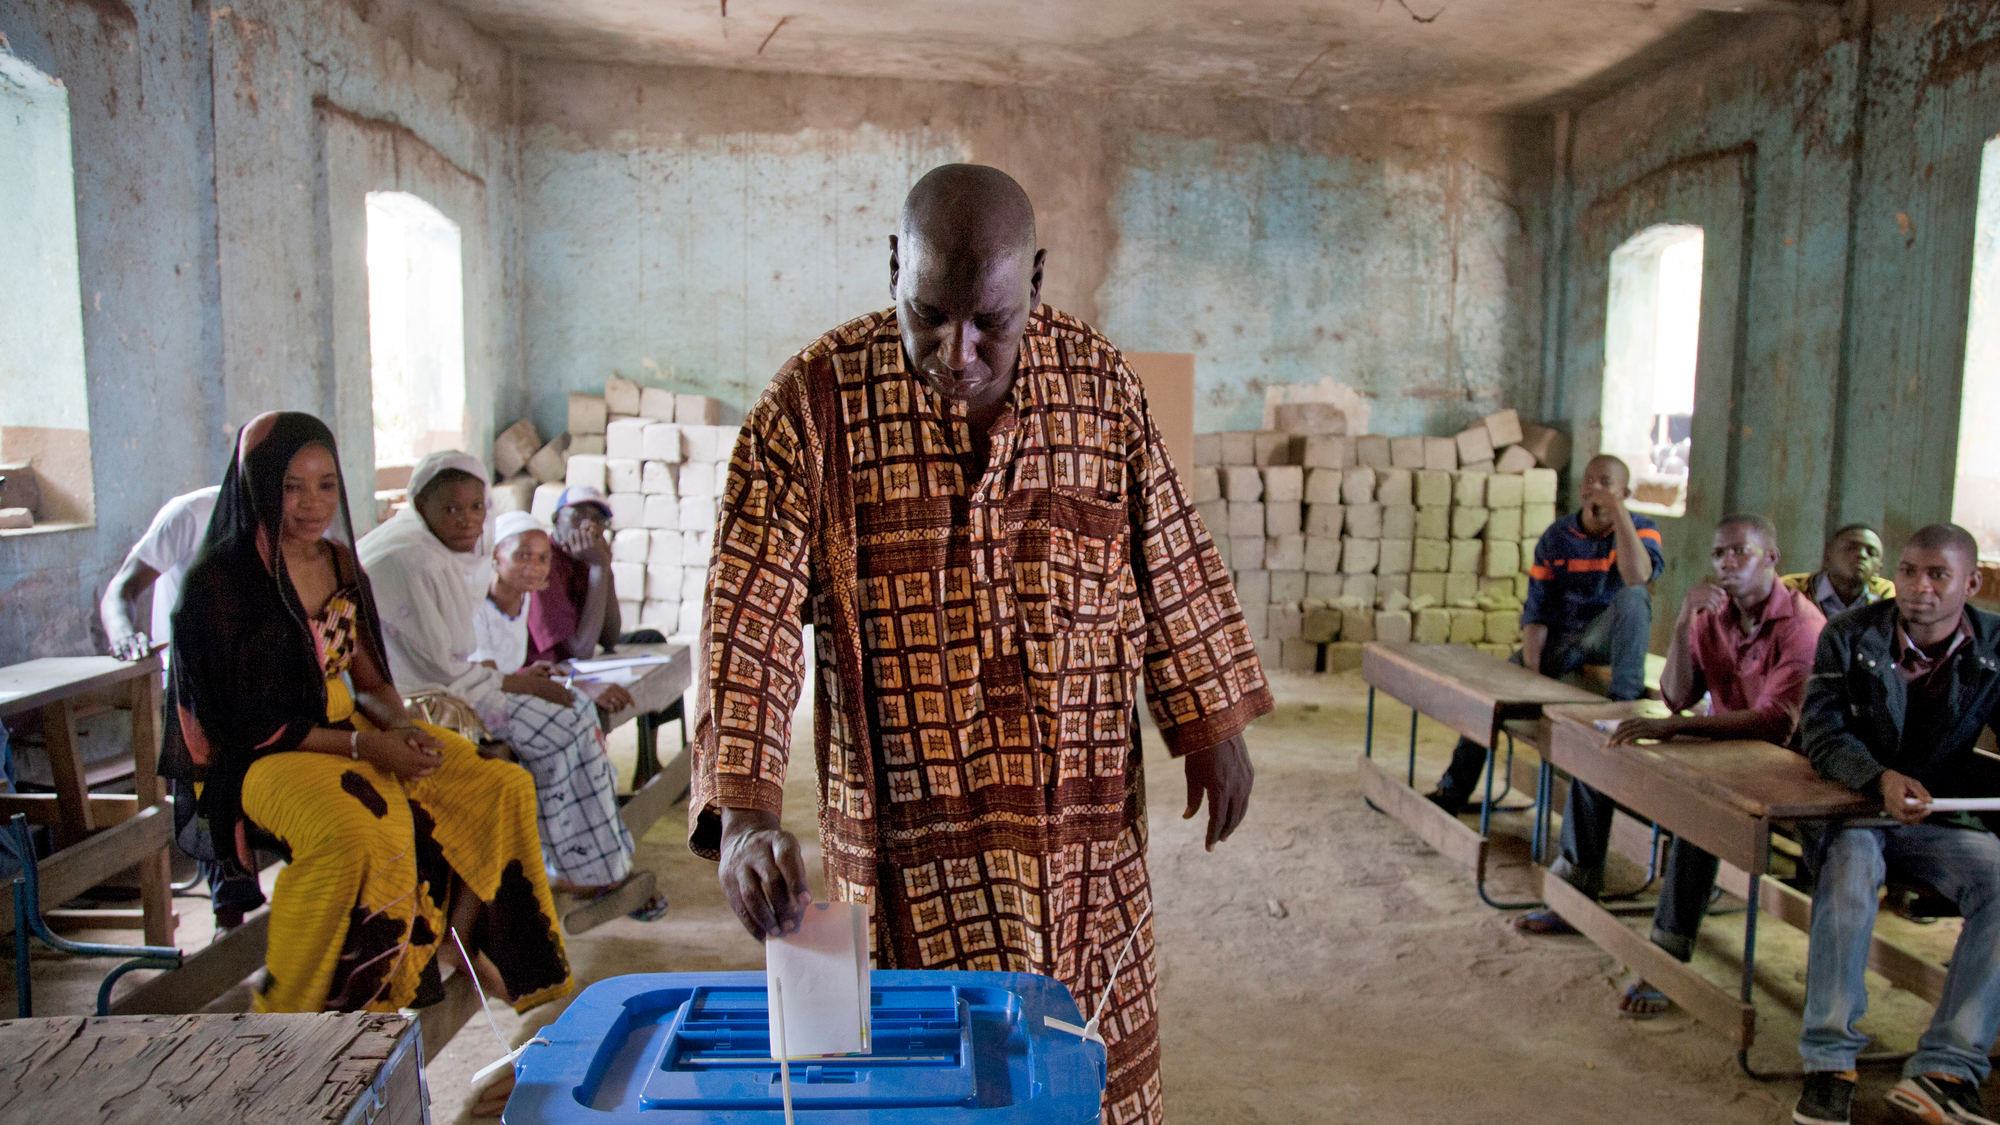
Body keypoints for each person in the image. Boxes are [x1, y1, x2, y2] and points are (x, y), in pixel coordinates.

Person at [690, 164, 1269, 1125]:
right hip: (908, 839)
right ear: (892, 268)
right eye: (929, 314)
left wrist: (1210, 718)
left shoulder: (1102, 386)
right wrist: (746, 812)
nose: (956, 352)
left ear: (1036, 282)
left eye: (990, 322)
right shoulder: (811, 406)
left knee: (1085, 1070)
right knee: (929, 1082)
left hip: (1080, 834)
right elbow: (745, 609)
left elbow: (1165, 542)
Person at [160, 412, 570, 1022]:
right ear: (257, 486)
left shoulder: (339, 564)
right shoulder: (219, 585)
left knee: (495, 785)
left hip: (350, 734)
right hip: (259, 760)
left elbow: (372, 678)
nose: (312, 503)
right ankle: (301, 1015)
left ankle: (458, 959)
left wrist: (402, 730)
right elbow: (244, 726)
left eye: (326, 484)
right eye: (291, 486)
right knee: (361, 831)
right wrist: (370, 753)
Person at [357, 453, 660, 916]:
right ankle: (574, 867)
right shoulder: (411, 560)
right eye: (450, 509)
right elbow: (449, 671)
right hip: (419, 705)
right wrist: (523, 686)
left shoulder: (452, 556)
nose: (465, 520)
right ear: (419, 505)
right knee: (565, 727)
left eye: (476, 507)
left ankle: (597, 866)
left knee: (578, 713)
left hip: (461, 688)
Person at [1790, 524, 2000, 1125]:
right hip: (1854, 810)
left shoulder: (1994, 644)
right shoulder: (1850, 634)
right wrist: (1879, 778)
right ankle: (1829, 1065)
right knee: (1851, 872)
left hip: (1932, 819)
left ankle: (1946, 1069)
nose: (1919, 588)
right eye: (1908, 571)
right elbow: (1821, 733)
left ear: (1971, 582)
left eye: (1938, 575)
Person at [1597, 514, 1824, 1018]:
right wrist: (1681, 622)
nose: (1727, 563)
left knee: (1705, 809)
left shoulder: (1803, 626)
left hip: (1791, 769)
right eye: (1719, 554)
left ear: (1772, 558)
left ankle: (1667, 950)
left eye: (1741, 551)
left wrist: (1675, 728)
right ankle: (1577, 883)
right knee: (1609, 753)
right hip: (1730, 754)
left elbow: (1775, 725)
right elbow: (1677, 696)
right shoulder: (1714, 617)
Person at [1426, 454, 1664, 815]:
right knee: (1488, 697)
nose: (1593, 489)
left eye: (1605, 483)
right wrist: (1532, 675)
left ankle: (1623, 700)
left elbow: (1637, 578)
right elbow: (1537, 610)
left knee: (1634, 597)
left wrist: (1619, 515)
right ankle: (1453, 791)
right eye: (1588, 480)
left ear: (1624, 492)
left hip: (1603, 641)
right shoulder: (1558, 536)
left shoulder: (1641, 528)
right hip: (1561, 642)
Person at [100, 485, 220, 661]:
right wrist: (123, 636)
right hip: (182, 675)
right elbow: (122, 588)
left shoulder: (272, 524)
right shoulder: (192, 512)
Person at [525, 486, 628, 664]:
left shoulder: (587, 556)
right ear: (556, 519)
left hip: (577, 651)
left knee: (650, 638)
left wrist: (605, 566)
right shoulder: (543, 562)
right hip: (546, 666)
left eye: (597, 520)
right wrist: (598, 566)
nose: (588, 526)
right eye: (578, 516)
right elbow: (580, 652)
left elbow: (610, 639)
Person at [1781, 523, 1892, 620]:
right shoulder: (1790, 590)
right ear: (1828, 557)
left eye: (1871, 552)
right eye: (1851, 547)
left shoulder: (1885, 596)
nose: (1862, 555)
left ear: (1878, 570)